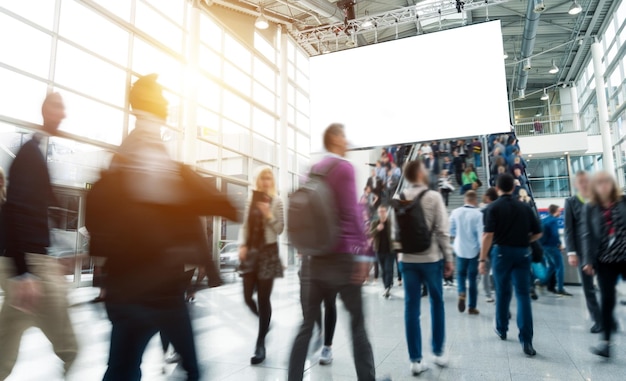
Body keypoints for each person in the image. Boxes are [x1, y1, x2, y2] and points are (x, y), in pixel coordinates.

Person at [86, 75, 237, 381]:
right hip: (153, 286)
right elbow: (173, 202)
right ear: (152, 104)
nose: (168, 104)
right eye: (162, 98)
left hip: (138, 287)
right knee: (159, 369)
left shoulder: (133, 152)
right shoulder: (146, 153)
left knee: (123, 369)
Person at [288, 124, 381, 381]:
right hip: (342, 259)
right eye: (343, 135)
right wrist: (363, 254)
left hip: (313, 260)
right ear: (335, 139)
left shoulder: (311, 171)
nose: (347, 141)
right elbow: (352, 213)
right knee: (358, 325)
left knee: (305, 326)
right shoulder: (344, 168)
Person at [0, 93, 78, 380]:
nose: (64, 114)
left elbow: (30, 214)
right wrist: (24, 273)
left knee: (5, 348)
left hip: (30, 264)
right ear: (46, 110)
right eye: (59, 107)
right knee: (70, 348)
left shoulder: (35, 153)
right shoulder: (29, 155)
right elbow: (16, 211)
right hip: (32, 267)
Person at [392, 160, 454, 375]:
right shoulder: (434, 196)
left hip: (407, 261)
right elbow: (442, 232)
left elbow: (395, 233)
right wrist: (449, 258)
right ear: (419, 173)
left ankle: (415, 360)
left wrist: (401, 256)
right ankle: (438, 352)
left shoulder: (399, 199)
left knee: (411, 308)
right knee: (437, 303)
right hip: (431, 259)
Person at [479, 173, 542, 357]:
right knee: (523, 296)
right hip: (522, 253)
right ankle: (527, 341)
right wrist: (525, 239)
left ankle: (502, 328)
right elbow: (538, 233)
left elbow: (488, 235)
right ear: (513, 188)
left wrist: (482, 259)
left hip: (501, 253)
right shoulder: (524, 207)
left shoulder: (494, 207)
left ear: (497, 188)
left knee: (503, 292)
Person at [238, 167, 284, 365]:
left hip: (268, 253)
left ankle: (260, 343)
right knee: (248, 298)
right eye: (263, 177)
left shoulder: (278, 201)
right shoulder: (251, 200)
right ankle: (265, 323)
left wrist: (268, 214)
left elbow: (280, 228)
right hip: (251, 253)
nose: (266, 180)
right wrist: (242, 244)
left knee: (263, 299)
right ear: (258, 180)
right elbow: (245, 225)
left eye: (269, 177)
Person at [582, 171, 626, 358]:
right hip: (605, 260)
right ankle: (606, 343)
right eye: (599, 182)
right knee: (607, 301)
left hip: (625, 256)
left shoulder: (623, 202)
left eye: (607, 182)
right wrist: (588, 261)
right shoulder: (591, 208)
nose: (604, 185)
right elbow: (587, 235)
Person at [564, 171, 602, 333]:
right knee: (588, 288)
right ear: (576, 184)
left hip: (603, 250)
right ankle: (598, 319)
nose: (585, 184)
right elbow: (569, 229)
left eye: (587, 181)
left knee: (606, 286)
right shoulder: (571, 202)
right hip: (582, 251)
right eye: (581, 182)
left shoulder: (599, 199)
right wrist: (571, 252)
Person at [450, 190, 483, 315]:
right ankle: (472, 307)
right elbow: (481, 235)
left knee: (460, 275)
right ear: (475, 200)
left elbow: (450, 230)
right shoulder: (478, 214)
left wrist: (456, 236)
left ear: (465, 199)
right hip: (474, 251)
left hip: (460, 249)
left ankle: (462, 292)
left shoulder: (456, 212)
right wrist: (482, 252)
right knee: (472, 278)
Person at [538, 205, 572, 297]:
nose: (560, 213)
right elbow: (554, 234)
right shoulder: (553, 221)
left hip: (544, 247)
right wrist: (559, 244)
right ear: (555, 211)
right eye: (559, 211)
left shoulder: (544, 219)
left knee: (551, 266)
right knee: (560, 267)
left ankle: (541, 282)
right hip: (552, 247)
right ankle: (560, 289)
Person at [369, 205, 394, 298]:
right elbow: (370, 234)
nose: (382, 213)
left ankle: (388, 287)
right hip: (379, 250)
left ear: (386, 212)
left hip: (390, 250)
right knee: (383, 270)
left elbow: (396, 233)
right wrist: (377, 229)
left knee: (389, 269)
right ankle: (386, 286)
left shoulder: (391, 222)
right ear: (378, 213)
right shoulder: (375, 223)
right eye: (380, 211)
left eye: (383, 211)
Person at [480, 187, 499, 303]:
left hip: (487, 243)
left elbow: (483, 231)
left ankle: (488, 294)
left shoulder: (483, 211)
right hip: (499, 244)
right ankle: (498, 290)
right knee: (498, 270)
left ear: (487, 198)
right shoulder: (500, 209)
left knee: (485, 271)